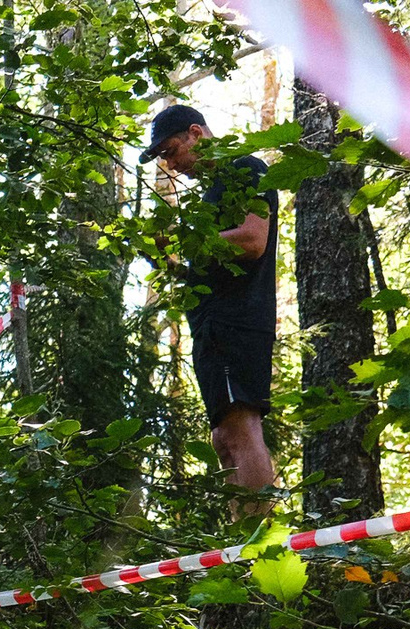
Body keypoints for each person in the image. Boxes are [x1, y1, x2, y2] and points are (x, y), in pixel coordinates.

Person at [143, 103, 279, 500]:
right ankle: (241, 543)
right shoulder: (211, 196)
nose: (171, 164)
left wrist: (185, 241)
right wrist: (161, 256)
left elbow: (254, 241)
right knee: (223, 439)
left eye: (171, 151)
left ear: (196, 134)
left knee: (240, 428)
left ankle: (259, 545)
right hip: (210, 323)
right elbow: (204, 268)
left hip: (236, 321)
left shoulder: (246, 170)